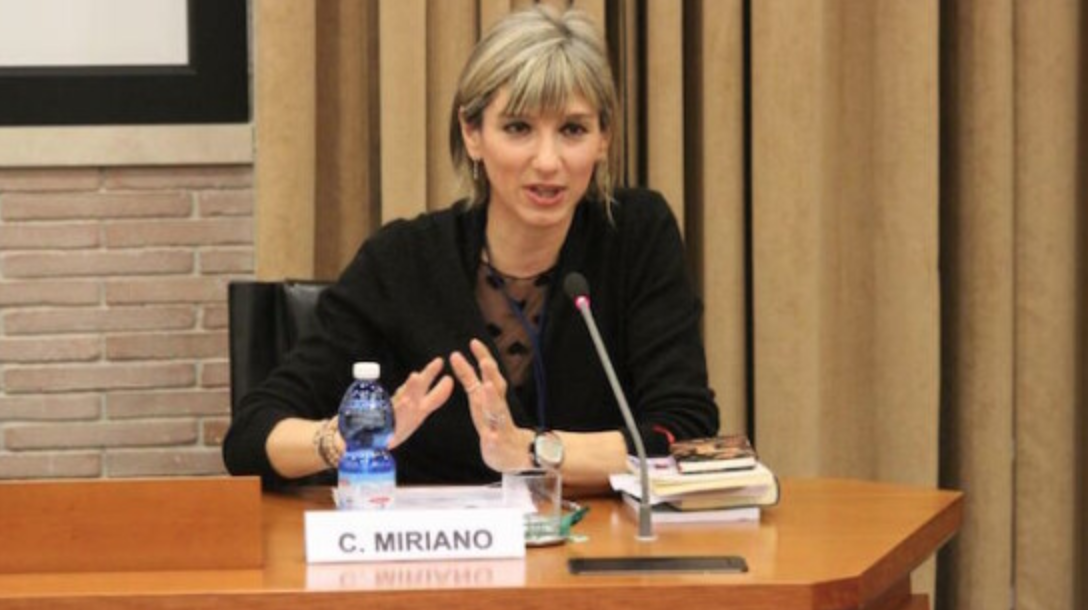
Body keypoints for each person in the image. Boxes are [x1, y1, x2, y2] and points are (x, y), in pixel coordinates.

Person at [222, 5, 719, 494]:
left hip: (599, 542)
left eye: (572, 129)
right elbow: (251, 436)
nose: (548, 161)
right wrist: (353, 436)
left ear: (603, 138)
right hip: (436, 546)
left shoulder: (635, 235)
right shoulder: (402, 261)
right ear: (472, 133)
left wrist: (530, 450)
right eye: (519, 128)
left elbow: (684, 431)